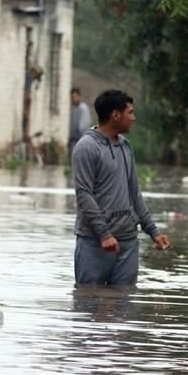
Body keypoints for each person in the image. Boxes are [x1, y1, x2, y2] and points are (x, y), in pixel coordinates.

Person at [72, 89, 171, 286]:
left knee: (124, 308)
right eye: (130, 112)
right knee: (89, 305)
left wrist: (154, 232)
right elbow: (84, 195)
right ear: (115, 115)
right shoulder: (86, 147)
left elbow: (134, 192)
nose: (134, 118)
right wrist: (104, 234)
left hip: (127, 242)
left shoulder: (125, 146)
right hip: (94, 242)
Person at [68, 87, 91, 157]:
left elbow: (83, 127)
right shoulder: (75, 109)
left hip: (80, 141)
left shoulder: (83, 108)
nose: (72, 99)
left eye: (74, 97)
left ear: (79, 97)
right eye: (71, 97)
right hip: (74, 141)